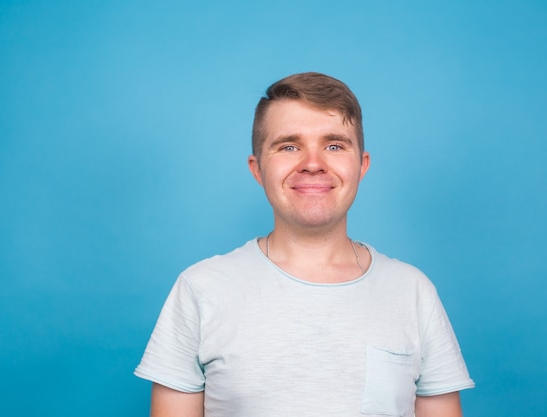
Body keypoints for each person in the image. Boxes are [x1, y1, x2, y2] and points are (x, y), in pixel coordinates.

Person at [135, 72, 474, 417]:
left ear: (361, 166)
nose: (313, 164)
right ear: (257, 168)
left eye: (334, 145)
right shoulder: (200, 290)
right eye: (289, 146)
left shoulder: (413, 292)